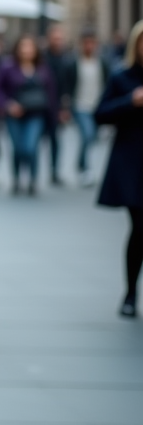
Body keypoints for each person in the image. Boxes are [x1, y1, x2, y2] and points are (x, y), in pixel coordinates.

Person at [94, 20, 143, 317]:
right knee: (140, 227)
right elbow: (100, 114)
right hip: (132, 164)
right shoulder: (122, 77)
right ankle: (130, 292)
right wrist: (131, 101)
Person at [0, 35, 58, 196]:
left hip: (36, 114)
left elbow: (51, 92)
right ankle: (16, 179)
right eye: (23, 46)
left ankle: (33, 179)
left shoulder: (42, 68)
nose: (26, 50)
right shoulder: (8, 67)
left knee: (30, 147)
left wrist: (54, 114)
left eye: (30, 47)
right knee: (17, 148)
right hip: (14, 115)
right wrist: (8, 105)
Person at [64, 30, 111, 187]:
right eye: (86, 43)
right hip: (80, 105)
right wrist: (65, 107)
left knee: (92, 137)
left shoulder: (102, 62)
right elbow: (67, 85)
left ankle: (81, 162)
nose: (89, 46)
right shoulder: (73, 63)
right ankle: (84, 168)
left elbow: (108, 84)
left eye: (92, 43)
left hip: (98, 106)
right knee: (87, 135)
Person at [42, 25, 72, 186]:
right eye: (55, 38)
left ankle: (54, 171)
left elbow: (67, 86)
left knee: (55, 140)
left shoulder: (66, 59)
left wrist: (65, 108)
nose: (57, 41)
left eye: (60, 39)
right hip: (40, 105)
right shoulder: (42, 57)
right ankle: (33, 172)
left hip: (56, 107)